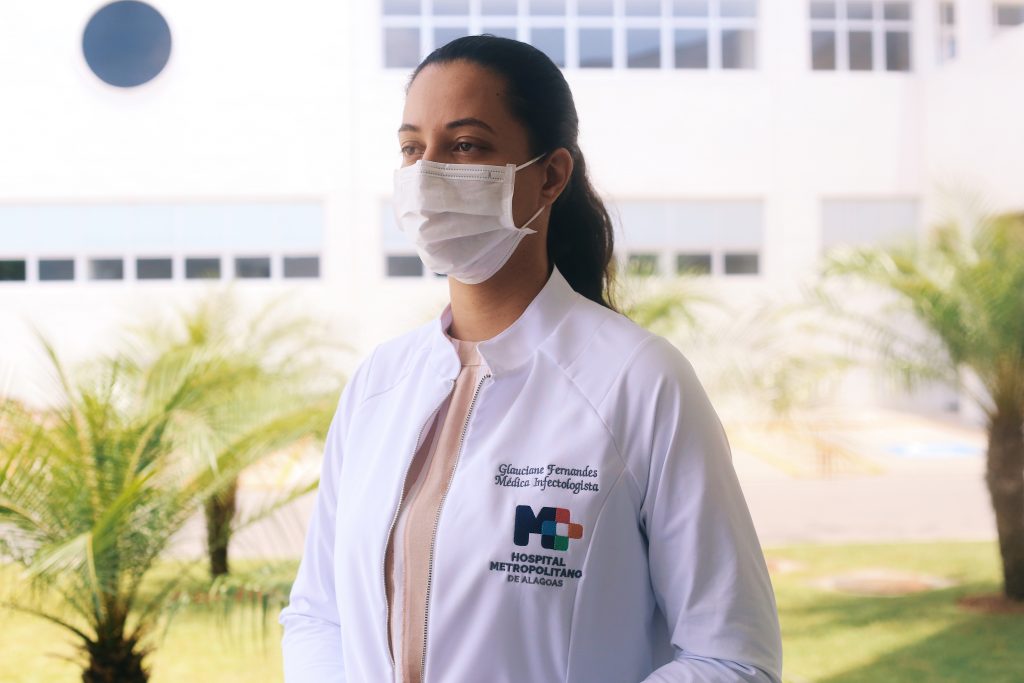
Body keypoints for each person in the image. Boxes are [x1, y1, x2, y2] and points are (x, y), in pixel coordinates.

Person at [278, 35, 783, 683]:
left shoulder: (638, 381)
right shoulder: (381, 381)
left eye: (466, 145)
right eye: (411, 148)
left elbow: (732, 658)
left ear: (550, 176)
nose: (427, 172)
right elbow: (318, 612)